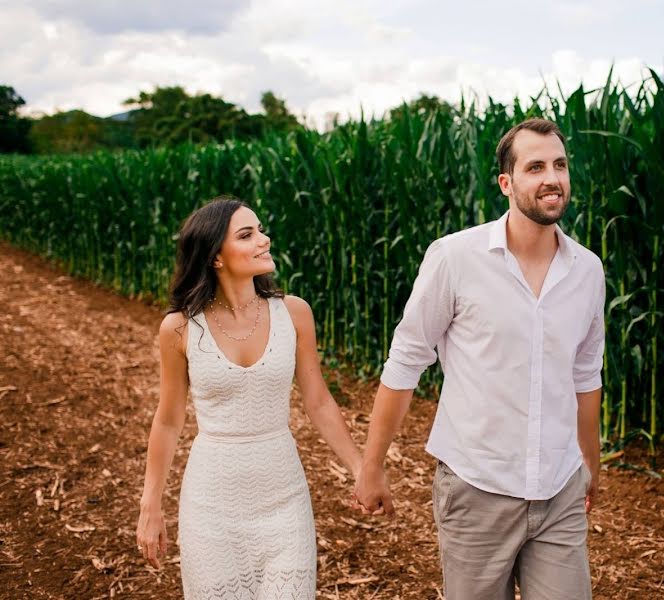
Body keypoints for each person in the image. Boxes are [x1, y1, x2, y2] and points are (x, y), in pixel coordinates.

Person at [353, 118, 606, 599]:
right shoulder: (455, 258)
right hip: (477, 487)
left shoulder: (587, 270)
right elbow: (406, 361)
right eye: (535, 167)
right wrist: (372, 466)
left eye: (560, 165)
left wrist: (589, 462)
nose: (552, 177)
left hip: (560, 489)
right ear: (507, 184)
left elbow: (585, 373)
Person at [136, 196, 362, 599]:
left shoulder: (294, 313)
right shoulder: (179, 329)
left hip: (284, 500)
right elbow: (169, 420)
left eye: (260, 229)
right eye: (247, 234)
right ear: (216, 257)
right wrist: (150, 505)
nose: (264, 239)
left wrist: (362, 469)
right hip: (210, 507)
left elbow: (319, 402)